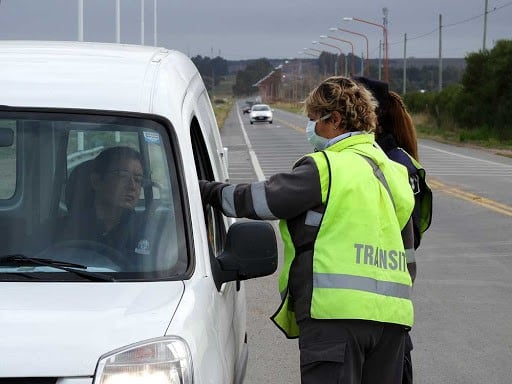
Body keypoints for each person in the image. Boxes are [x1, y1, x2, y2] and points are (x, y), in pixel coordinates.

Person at [200, 76, 416, 384]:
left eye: (314, 119)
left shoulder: (327, 166)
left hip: (336, 318)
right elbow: (408, 258)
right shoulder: (396, 174)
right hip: (392, 323)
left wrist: (208, 191)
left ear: (336, 119)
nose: (310, 128)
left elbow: (263, 200)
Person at [354, 76, 433, 384]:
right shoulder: (387, 159)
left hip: (381, 302)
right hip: (378, 304)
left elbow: (405, 233)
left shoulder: (393, 164)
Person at [31, 146, 151, 263]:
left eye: (138, 180)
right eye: (123, 176)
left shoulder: (147, 232)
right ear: (96, 181)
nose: (133, 186)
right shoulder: (57, 231)